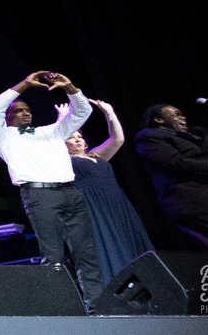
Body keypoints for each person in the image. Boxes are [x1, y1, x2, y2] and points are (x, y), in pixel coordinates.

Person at [0, 71, 102, 312]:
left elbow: (83, 112)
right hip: (40, 196)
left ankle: (97, 308)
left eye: (27, 109)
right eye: (18, 110)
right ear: (7, 117)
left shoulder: (53, 131)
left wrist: (69, 86)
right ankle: (64, 310)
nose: (25, 112)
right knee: (54, 257)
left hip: (70, 193)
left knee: (86, 254)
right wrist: (25, 85)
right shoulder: (3, 136)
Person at [134, 93, 208, 250]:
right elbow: (174, 163)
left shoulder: (197, 133)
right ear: (159, 119)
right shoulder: (150, 137)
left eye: (183, 114)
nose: (183, 117)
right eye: (176, 114)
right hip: (196, 205)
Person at [59, 98, 153, 283]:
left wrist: (109, 113)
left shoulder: (97, 156)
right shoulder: (63, 160)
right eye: (71, 137)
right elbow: (54, 142)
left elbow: (118, 139)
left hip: (115, 201)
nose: (77, 139)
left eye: (80, 137)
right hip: (91, 205)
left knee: (127, 237)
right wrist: (63, 121)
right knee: (104, 241)